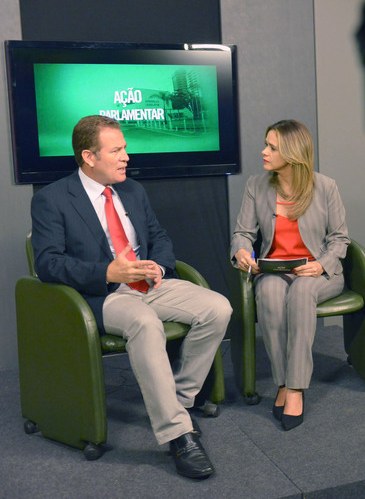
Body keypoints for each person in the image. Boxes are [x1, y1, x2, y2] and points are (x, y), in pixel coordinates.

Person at [30, 115, 232, 479]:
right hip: (101, 294)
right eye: (116, 150)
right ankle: (178, 434)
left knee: (218, 308)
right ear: (89, 157)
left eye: (125, 148)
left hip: (148, 284)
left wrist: (160, 266)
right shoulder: (52, 199)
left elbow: (159, 237)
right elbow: (48, 264)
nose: (126, 156)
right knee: (144, 323)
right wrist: (107, 272)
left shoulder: (133, 191)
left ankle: (179, 401)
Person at [230, 119, 349, 431]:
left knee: (301, 291)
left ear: (293, 154)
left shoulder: (326, 186)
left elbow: (340, 239)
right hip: (274, 269)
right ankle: (283, 382)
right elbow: (243, 233)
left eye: (272, 147)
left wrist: (321, 264)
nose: (264, 151)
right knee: (269, 294)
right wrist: (241, 251)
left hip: (318, 271)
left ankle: (295, 388)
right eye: (266, 144)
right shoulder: (256, 185)